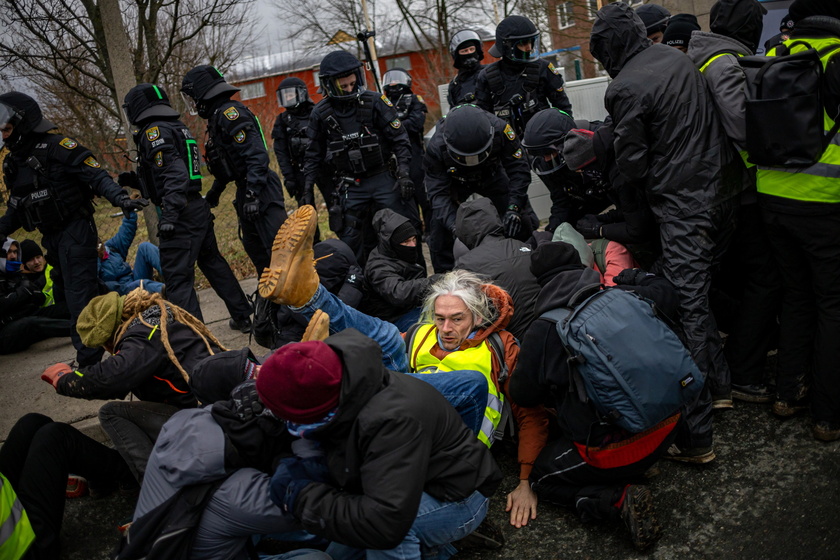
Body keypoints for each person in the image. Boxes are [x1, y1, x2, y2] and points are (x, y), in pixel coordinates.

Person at [258, 205, 552, 529]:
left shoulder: (501, 346)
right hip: (403, 410)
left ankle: (335, 369)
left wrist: (526, 481)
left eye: (457, 320)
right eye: (440, 318)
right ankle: (305, 295)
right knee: (385, 337)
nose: (446, 328)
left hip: (454, 436)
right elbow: (380, 339)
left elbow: (530, 413)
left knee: (458, 380)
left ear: (477, 318)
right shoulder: (426, 331)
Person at [589, 2, 744, 459]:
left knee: (685, 306)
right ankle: (720, 387)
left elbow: (633, 162)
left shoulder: (625, 86)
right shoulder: (677, 58)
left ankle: (697, 435)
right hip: (725, 192)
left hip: (684, 206)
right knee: (700, 294)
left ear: (606, 50)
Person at [256, 331, 503, 559]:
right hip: (410, 481)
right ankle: (434, 547)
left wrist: (299, 497)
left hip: (459, 496)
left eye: (290, 419)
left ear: (318, 410)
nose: (289, 425)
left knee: (383, 538)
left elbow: (385, 524)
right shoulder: (344, 376)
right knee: (339, 553)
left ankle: (437, 540)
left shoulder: (390, 421)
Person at [509, 242, 683, 551]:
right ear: (583, 266)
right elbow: (669, 292)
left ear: (541, 282)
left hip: (617, 449)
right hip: (670, 423)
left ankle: (616, 499)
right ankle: (644, 464)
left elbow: (523, 394)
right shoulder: (625, 296)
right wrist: (633, 276)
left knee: (541, 477)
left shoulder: (546, 328)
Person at [0, 91, 148, 366]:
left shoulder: (59, 147)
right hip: (52, 238)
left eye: (7, 129)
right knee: (70, 298)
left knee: (80, 301)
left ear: (22, 124)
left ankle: (89, 366)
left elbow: (97, 177)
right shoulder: (14, 162)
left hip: (76, 232)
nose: (5, 135)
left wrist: (121, 198)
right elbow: (16, 209)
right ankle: (123, 332)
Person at [753, 0, 840, 440]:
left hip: (772, 198)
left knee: (797, 295)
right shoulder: (835, 59)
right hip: (826, 203)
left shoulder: (775, 55)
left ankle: (788, 393)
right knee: (832, 303)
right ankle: (827, 414)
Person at [687, 0, 779, 405]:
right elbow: (742, 126)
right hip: (735, 190)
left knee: (740, 277)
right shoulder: (723, 61)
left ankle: (742, 359)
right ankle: (744, 369)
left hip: (717, 189)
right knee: (764, 277)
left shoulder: (703, 56)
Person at [40, 288, 226, 482]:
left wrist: (65, 379)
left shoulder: (143, 337)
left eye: (104, 344)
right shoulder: (154, 319)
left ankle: (155, 486)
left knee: (110, 413)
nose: (107, 350)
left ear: (111, 332)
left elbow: (113, 377)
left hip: (202, 416)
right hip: (209, 406)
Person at [120, 82, 253, 330]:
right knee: (213, 263)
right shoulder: (176, 127)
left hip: (179, 214)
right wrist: (138, 181)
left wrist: (169, 215)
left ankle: (194, 336)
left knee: (178, 278)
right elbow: (172, 174)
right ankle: (243, 315)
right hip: (196, 209)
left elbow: (175, 176)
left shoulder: (155, 132)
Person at [302, 50, 418, 263]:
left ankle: (413, 278)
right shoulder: (321, 113)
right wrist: (307, 189)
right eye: (343, 86)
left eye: (352, 84)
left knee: (402, 230)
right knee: (350, 238)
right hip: (351, 184)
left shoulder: (375, 101)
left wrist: (404, 172)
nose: (350, 89)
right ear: (330, 85)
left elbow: (400, 139)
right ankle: (359, 285)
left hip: (383, 178)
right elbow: (312, 155)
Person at [181, 65, 288, 278]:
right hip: (246, 189)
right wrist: (215, 192)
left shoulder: (231, 114)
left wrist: (253, 195)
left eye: (193, 97)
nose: (193, 103)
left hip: (261, 189)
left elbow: (257, 156)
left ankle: (297, 306)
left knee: (279, 255)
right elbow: (229, 164)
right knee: (258, 253)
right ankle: (274, 306)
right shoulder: (216, 117)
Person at [0, 413, 135, 559]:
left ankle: (99, 478)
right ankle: (134, 472)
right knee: (55, 437)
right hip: (26, 547)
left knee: (32, 423)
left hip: (7, 503)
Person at [424, 104, 536, 271]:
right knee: (439, 231)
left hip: (491, 174)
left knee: (520, 217)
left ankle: (530, 258)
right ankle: (444, 276)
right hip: (455, 180)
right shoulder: (436, 147)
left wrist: (514, 208)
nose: (473, 160)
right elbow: (437, 194)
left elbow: (519, 171)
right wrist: (455, 226)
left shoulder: (502, 130)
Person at [453, 197, 540, 341]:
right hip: (545, 331)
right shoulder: (523, 247)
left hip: (508, 342)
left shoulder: (465, 264)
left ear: (463, 230)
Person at [475, 15, 573, 136]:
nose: (529, 48)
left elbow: (563, 108)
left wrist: (567, 137)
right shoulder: (487, 76)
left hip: (543, 139)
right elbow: (483, 119)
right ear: (507, 46)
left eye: (531, 42)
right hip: (506, 143)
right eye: (523, 43)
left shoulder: (543, 68)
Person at [521, 108, 611, 233]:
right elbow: (560, 198)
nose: (546, 159)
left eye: (549, 153)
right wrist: (552, 232)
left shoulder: (600, 140)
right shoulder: (542, 159)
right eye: (541, 155)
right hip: (585, 200)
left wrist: (603, 226)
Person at [362, 208, 438, 331]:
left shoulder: (401, 254)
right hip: (392, 321)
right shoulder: (378, 267)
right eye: (406, 241)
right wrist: (432, 282)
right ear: (392, 243)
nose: (413, 245)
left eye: (414, 239)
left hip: (412, 309)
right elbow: (398, 293)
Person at [383, 67, 430, 264]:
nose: (394, 85)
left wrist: (396, 125)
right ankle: (413, 231)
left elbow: (417, 123)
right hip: (395, 160)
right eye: (390, 81)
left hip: (416, 155)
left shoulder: (414, 101)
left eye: (397, 80)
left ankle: (430, 229)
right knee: (404, 200)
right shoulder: (384, 104)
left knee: (424, 197)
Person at [271, 77, 334, 218]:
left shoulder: (317, 112)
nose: (288, 98)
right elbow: (281, 152)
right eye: (284, 95)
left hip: (324, 167)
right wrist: (289, 177)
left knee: (335, 205)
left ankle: (344, 236)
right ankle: (312, 240)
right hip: (299, 171)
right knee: (305, 212)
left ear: (301, 93)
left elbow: (331, 139)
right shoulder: (282, 121)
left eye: (290, 94)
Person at [0, 237, 71, 354]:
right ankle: (80, 330)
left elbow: (38, 298)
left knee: (65, 308)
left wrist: (30, 292)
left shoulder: (15, 272)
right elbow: (3, 304)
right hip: (6, 332)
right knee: (32, 323)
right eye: (8, 252)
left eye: (15, 252)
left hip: (26, 315)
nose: (13, 256)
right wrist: (24, 292)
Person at [97, 211, 164, 295]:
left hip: (133, 279)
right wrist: (97, 258)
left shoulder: (109, 248)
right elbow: (101, 286)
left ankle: (177, 275)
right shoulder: (89, 265)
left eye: (100, 243)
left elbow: (125, 233)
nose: (101, 246)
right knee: (144, 284)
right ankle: (173, 293)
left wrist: (129, 208)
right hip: (122, 292)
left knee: (145, 247)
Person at [447, 29, 486, 107]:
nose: (469, 53)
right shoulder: (455, 84)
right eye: (464, 51)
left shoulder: (489, 73)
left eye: (472, 49)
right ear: (457, 56)